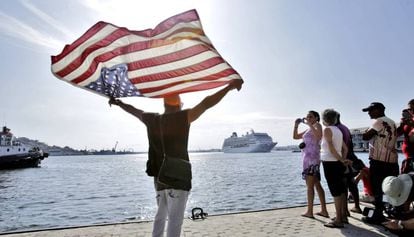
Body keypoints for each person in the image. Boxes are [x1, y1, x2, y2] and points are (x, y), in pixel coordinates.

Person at [109, 80, 243, 237]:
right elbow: (206, 103)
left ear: (165, 104)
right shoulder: (183, 117)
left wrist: (119, 103)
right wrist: (228, 87)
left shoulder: (151, 119)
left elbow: (134, 110)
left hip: (159, 178)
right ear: (178, 103)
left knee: (160, 217)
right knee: (175, 221)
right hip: (177, 178)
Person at [361, 102, 399, 224]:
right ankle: (394, 212)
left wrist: (367, 130)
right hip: (392, 161)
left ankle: (378, 215)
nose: (369, 113)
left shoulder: (378, 121)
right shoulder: (392, 122)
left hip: (378, 161)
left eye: (371, 110)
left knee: (377, 188)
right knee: (391, 187)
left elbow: (365, 137)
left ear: (378, 110)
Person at [293, 111, 329, 219]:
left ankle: (310, 211)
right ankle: (324, 210)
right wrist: (296, 125)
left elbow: (318, 136)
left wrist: (309, 124)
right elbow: (295, 137)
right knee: (317, 184)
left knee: (309, 186)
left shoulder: (317, 125)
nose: (308, 118)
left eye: (310, 116)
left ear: (316, 118)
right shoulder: (310, 128)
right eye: (307, 116)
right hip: (308, 159)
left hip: (312, 160)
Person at [320, 109, 350, 228]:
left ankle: (338, 220)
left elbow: (331, 149)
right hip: (337, 163)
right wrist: (343, 159)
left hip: (330, 163)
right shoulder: (338, 130)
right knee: (341, 189)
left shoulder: (327, 130)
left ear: (324, 119)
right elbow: (345, 149)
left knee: (335, 191)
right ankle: (343, 216)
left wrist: (342, 160)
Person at [335, 113, 363, 214]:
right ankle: (357, 206)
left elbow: (340, 146)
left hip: (344, 158)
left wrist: (341, 159)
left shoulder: (336, 129)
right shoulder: (345, 128)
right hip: (351, 156)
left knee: (343, 184)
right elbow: (350, 145)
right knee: (351, 183)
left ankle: (345, 210)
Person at [397, 99, 414, 174]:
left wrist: (412, 124)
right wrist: (401, 125)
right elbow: (397, 134)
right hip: (409, 157)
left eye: (413, 109)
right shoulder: (407, 120)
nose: (411, 111)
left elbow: (412, 138)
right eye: (409, 109)